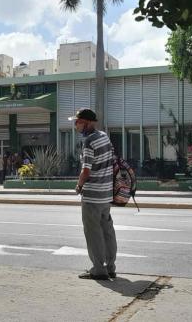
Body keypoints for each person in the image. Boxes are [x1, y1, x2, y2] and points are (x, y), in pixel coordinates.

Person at [71, 108, 117, 281]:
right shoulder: (104, 136)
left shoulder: (88, 142)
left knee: (93, 233)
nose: (76, 125)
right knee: (108, 231)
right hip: (106, 194)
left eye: (78, 122)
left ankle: (98, 269)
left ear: (88, 123)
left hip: (92, 196)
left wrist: (78, 185)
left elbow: (85, 170)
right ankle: (111, 267)